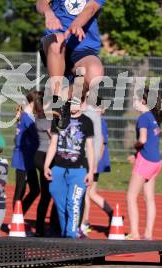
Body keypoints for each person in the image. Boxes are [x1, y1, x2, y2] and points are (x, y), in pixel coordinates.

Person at [36, 0, 110, 127]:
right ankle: (56, 96)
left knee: (95, 74)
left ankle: (66, 101)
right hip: (56, 47)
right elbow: (42, 1)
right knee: (58, 38)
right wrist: (48, 12)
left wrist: (77, 23)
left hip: (82, 47)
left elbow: (91, 8)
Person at [44, 97, 94, 238]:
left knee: (74, 203)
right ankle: (65, 233)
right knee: (61, 205)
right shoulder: (59, 119)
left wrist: (91, 171)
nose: (74, 106)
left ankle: (72, 235)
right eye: (72, 103)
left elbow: (90, 148)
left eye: (77, 103)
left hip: (78, 170)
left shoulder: (87, 122)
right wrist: (47, 165)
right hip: (58, 169)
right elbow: (53, 144)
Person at [126, 87, 162, 240]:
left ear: (143, 101)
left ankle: (134, 233)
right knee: (149, 198)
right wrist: (136, 154)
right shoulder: (154, 117)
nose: (134, 101)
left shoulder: (143, 118)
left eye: (136, 99)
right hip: (156, 161)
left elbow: (142, 140)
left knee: (131, 196)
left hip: (146, 161)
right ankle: (148, 234)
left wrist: (134, 149)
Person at [81, 99, 113, 235]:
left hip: (95, 162)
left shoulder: (100, 122)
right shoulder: (95, 120)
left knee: (86, 194)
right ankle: (111, 213)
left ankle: (84, 222)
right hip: (95, 161)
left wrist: (94, 164)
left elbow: (101, 145)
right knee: (91, 193)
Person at [33, 92, 59, 237]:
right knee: (49, 194)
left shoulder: (39, 117)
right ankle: (45, 227)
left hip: (41, 155)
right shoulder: (47, 120)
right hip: (45, 156)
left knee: (47, 194)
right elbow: (54, 137)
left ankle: (41, 227)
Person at [11, 91, 40, 216]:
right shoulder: (27, 118)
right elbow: (38, 135)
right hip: (24, 159)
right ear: (34, 102)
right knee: (20, 190)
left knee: (34, 190)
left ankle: (19, 216)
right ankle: (16, 219)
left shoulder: (25, 116)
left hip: (28, 159)